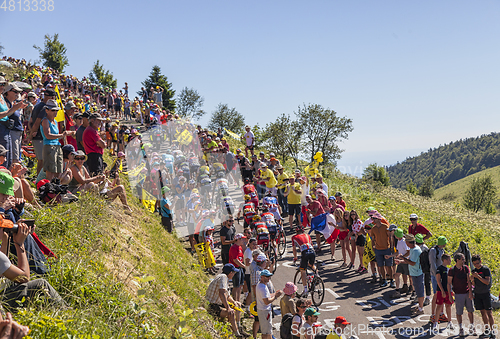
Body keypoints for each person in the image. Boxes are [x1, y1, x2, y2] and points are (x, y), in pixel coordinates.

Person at [205, 263, 248, 338]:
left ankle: (238, 327)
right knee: (230, 313)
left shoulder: (223, 278)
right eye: (234, 272)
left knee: (237, 305)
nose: (234, 274)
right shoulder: (223, 277)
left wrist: (234, 302)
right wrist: (228, 308)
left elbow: (227, 295)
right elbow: (222, 293)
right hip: (212, 305)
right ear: (230, 273)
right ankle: (237, 334)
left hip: (217, 303)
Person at [41, 100, 73, 180]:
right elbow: (47, 135)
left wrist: (64, 134)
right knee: (50, 170)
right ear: (47, 110)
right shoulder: (45, 120)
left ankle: (54, 188)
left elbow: (56, 135)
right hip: (49, 146)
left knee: (58, 169)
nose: (55, 112)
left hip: (57, 146)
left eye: (56, 110)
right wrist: (62, 135)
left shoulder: (55, 121)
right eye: (53, 110)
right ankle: (49, 189)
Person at [29, 88, 56, 174]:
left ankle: (39, 181)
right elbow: (36, 122)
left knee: (41, 160)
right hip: (40, 137)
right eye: (53, 97)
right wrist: (31, 135)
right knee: (42, 160)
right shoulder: (45, 107)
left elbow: (30, 122)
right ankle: (38, 182)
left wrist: (31, 133)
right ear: (50, 97)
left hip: (37, 136)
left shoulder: (37, 105)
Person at [396, 234, 425, 315]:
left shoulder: (415, 250)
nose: (405, 243)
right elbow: (410, 260)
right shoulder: (412, 249)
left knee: (420, 292)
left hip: (417, 273)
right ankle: (419, 306)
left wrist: (403, 258)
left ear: (409, 242)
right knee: (418, 291)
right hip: (414, 273)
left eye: (406, 242)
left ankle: (421, 309)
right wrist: (401, 261)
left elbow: (412, 263)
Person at [448, 252, 476, 336]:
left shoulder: (466, 268)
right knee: (459, 312)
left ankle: (472, 326)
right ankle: (461, 328)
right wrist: (450, 295)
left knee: (470, 310)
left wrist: (470, 292)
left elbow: (469, 281)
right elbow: (449, 283)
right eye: (462, 259)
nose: (464, 260)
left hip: (467, 292)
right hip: (458, 294)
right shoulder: (452, 270)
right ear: (457, 260)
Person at [471, 254, 495, 338]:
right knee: (482, 313)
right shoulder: (473, 271)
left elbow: (487, 282)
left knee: (489, 313)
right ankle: (487, 330)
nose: (476, 265)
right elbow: (473, 284)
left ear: (480, 262)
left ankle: (493, 332)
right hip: (478, 294)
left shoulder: (485, 269)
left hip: (485, 293)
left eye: (477, 263)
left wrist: (478, 276)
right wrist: (472, 280)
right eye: (474, 264)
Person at [255, 269, 282, 339]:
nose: (268, 278)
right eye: (267, 276)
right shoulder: (263, 287)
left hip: (262, 311)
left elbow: (266, 296)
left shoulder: (260, 285)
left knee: (266, 331)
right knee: (267, 332)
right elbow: (266, 301)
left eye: (269, 276)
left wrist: (274, 294)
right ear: (262, 277)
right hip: (265, 311)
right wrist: (276, 296)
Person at [370, 211, 394, 287]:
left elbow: (389, 237)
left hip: (386, 249)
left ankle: (391, 280)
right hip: (378, 249)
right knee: (381, 266)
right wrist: (373, 247)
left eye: (375, 218)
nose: (373, 219)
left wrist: (391, 246)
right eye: (373, 218)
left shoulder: (385, 227)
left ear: (379, 219)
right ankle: (384, 280)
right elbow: (373, 239)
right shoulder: (373, 229)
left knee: (389, 266)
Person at [291, 226, 315, 297]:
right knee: (311, 264)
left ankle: (305, 290)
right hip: (312, 251)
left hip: (305, 253)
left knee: (303, 271)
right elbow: (312, 244)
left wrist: (295, 258)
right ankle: (316, 275)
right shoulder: (307, 235)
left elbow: (294, 249)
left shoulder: (294, 237)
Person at [429, 236, 448, 325]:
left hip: (442, 276)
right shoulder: (433, 251)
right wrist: (437, 275)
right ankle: (433, 315)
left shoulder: (442, 251)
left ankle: (441, 313)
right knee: (436, 294)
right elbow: (432, 264)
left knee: (442, 294)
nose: (446, 244)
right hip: (435, 276)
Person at [433, 253, 453, 331]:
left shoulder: (449, 269)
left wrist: (451, 291)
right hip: (441, 291)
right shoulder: (439, 269)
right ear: (444, 260)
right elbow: (438, 280)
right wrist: (442, 291)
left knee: (448, 306)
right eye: (449, 260)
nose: (450, 261)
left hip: (448, 291)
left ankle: (450, 321)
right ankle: (436, 322)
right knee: (439, 306)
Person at [387, 228, 410, 298]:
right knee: (397, 275)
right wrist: (390, 256)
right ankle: (398, 290)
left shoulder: (404, 242)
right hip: (401, 261)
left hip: (406, 261)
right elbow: (398, 252)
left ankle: (411, 289)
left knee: (409, 276)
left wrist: (402, 257)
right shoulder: (399, 241)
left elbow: (408, 252)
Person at [229, 233, 247, 303]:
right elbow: (235, 260)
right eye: (242, 239)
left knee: (240, 285)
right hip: (235, 268)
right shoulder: (234, 247)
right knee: (236, 286)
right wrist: (244, 266)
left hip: (240, 268)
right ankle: (235, 301)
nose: (243, 240)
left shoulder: (240, 247)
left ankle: (238, 300)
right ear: (238, 239)